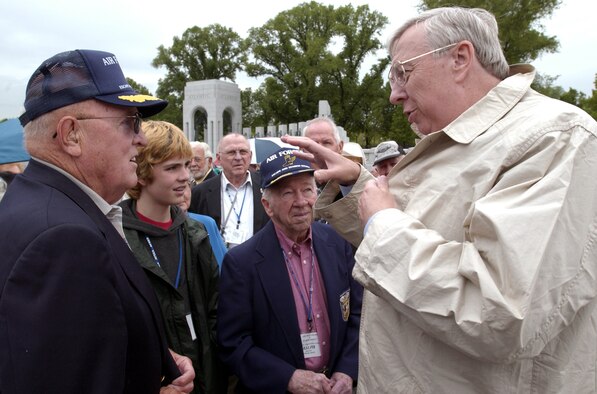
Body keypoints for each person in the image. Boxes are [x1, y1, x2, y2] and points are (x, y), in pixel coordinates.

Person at [282, 6, 597, 393]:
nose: (394, 94)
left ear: (460, 58)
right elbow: (427, 233)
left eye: (403, 72)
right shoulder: (470, 137)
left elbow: (497, 310)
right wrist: (358, 188)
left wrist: (382, 223)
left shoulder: (556, 138)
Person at [0, 49, 194, 393]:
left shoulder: (38, 203)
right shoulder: (64, 239)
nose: (142, 138)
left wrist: (146, 355)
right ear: (72, 134)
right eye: (129, 122)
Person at [217, 148, 362, 394]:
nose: (301, 201)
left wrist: (347, 370)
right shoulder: (242, 263)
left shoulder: (337, 242)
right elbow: (233, 344)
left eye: (307, 189)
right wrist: (288, 378)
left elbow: (358, 314)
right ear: (267, 205)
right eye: (287, 193)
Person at [120, 120, 224, 394]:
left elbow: (216, 308)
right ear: (141, 173)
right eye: (172, 168)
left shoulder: (195, 232)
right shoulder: (115, 238)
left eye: (187, 166)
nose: (185, 177)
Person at [190, 133, 269, 248]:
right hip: (218, 262)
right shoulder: (200, 192)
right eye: (231, 152)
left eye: (243, 152)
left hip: (259, 260)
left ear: (250, 156)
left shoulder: (266, 186)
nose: (238, 157)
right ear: (218, 158)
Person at [179, 182, 227, 270]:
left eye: (184, 187)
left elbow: (223, 266)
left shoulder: (206, 223)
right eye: (176, 189)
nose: (181, 194)